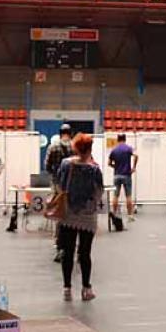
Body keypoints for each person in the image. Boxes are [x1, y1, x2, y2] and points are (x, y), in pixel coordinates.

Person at [55, 133, 104, 302]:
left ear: (75, 148)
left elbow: (60, 185)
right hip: (87, 215)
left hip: (68, 213)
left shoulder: (66, 164)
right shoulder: (95, 169)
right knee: (85, 253)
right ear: (90, 148)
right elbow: (99, 192)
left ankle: (67, 289)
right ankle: (86, 288)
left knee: (67, 252)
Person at [45, 124, 74, 262]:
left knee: (59, 215)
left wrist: (56, 176)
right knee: (74, 214)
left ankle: (59, 244)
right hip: (73, 186)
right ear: (70, 133)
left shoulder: (53, 147)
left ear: (60, 133)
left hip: (58, 186)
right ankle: (75, 246)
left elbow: (47, 166)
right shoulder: (76, 146)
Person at [108, 133, 137, 217]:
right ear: (125, 139)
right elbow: (136, 156)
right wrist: (133, 167)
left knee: (115, 196)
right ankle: (130, 215)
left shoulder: (114, 150)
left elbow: (109, 163)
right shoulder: (128, 148)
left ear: (117, 139)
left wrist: (115, 167)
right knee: (128, 196)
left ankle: (114, 213)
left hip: (117, 175)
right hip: (127, 175)